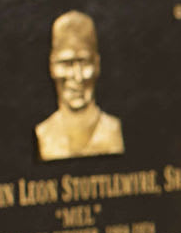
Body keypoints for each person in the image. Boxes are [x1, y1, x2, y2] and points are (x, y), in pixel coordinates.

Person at [36, 10, 124, 161]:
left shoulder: (112, 130)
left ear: (97, 65)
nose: (77, 76)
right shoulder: (44, 134)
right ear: (52, 67)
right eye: (66, 64)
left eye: (84, 62)